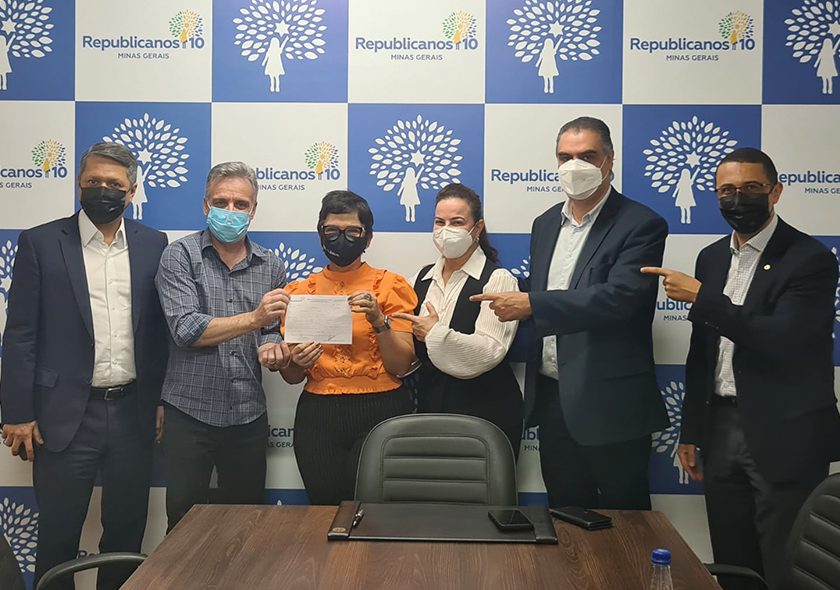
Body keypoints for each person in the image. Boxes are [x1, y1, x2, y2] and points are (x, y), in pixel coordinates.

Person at [641, 147, 840, 590]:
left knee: (786, 565)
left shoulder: (810, 258)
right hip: (721, 428)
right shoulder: (711, 258)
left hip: (785, 433)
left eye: (751, 188)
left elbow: (784, 339)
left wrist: (703, 298)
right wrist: (692, 430)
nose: (737, 198)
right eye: (726, 190)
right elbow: (702, 351)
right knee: (733, 561)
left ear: (776, 192)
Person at [473, 116, 669, 510]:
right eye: (565, 157)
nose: (574, 166)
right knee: (565, 517)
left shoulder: (641, 224)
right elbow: (548, 288)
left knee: (627, 525)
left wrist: (533, 304)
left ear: (609, 160)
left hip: (611, 402)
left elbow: (620, 299)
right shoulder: (545, 223)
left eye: (587, 156)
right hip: (553, 398)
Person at [0, 142, 169, 590]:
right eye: (93, 181)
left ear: (131, 191)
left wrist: (158, 400)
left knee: (127, 532)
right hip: (62, 414)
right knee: (58, 533)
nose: (102, 190)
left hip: (132, 410)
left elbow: (157, 333)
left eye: (113, 183)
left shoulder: (154, 244)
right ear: (78, 183)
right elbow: (20, 334)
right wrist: (17, 412)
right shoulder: (40, 242)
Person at [154, 161, 290, 531]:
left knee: (245, 524)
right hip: (189, 413)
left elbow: (271, 329)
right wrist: (255, 319)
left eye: (240, 204)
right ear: (205, 206)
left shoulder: (271, 265)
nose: (231, 211)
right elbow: (186, 329)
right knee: (183, 524)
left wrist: (273, 348)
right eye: (221, 202)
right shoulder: (180, 255)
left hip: (248, 414)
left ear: (253, 210)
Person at [279, 190, 417, 505]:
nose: (342, 239)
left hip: (382, 410)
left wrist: (379, 321)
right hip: (318, 417)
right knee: (324, 511)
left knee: (377, 515)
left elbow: (401, 366)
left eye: (353, 231)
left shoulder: (391, 286)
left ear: (368, 238)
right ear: (320, 234)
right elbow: (292, 376)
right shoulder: (299, 293)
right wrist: (295, 361)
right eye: (332, 231)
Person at [393, 183, 523, 456]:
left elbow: (488, 351)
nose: (446, 230)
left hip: (487, 413)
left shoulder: (498, 280)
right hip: (430, 409)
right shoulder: (419, 279)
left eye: (457, 222)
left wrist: (434, 333)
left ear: (477, 228)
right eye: (439, 222)